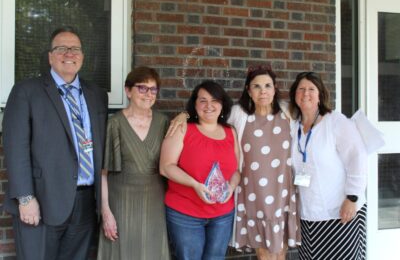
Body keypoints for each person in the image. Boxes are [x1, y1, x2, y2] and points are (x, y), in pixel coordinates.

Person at [2, 26, 108, 260]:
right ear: (50, 56)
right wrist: (26, 198)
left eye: (75, 49)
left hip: (85, 203)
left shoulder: (96, 94)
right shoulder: (26, 92)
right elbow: (15, 147)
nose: (69, 54)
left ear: (82, 56)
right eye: (61, 48)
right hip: (42, 201)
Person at [289, 72, 367, 259]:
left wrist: (353, 197)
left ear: (320, 95)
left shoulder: (335, 121)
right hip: (309, 215)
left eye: (311, 89)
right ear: (294, 94)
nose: (305, 93)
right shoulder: (294, 126)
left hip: (340, 212)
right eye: (301, 89)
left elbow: (357, 157)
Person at [160, 80, 241, 260]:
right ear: (194, 105)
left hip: (222, 214)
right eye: (202, 100)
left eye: (214, 100)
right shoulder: (182, 128)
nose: (209, 106)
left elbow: (236, 170)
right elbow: (166, 167)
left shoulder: (231, 132)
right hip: (185, 213)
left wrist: (232, 186)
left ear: (222, 104)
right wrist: (194, 184)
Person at [97, 66, 170, 259]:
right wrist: (106, 212)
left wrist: (184, 116)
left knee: (152, 251)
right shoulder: (114, 123)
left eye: (153, 89)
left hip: (155, 201)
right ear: (128, 91)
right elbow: (103, 173)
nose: (148, 94)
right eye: (142, 88)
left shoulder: (164, 122)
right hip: (120, 202)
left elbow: (193, 117)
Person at [229, 65, 300, 260]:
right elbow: (209, 121)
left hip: (283, 190)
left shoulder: (288, 112)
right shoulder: (238, 114)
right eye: (257, 86)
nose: (263, 91)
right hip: (254, 192)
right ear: (248, 90)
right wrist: (185, 117)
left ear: (275, 88)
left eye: (268, 85)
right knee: (264, 251)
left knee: (280, 251)